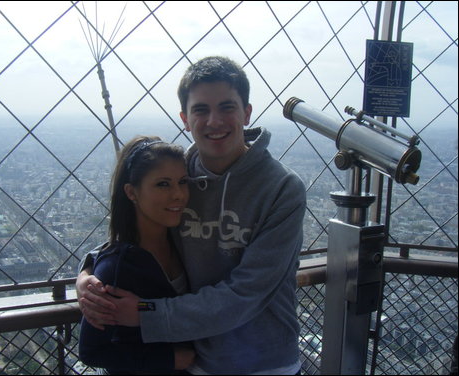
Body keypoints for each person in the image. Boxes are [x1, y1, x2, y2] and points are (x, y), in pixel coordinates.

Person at [77, 56, 307, 375]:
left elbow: (247, 293)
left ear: (247, 112)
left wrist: (145, 314)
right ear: (185, 118)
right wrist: (89, 273)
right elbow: (137, 226)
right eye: (201, 109)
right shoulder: (179, 173)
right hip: (196, 361)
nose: (214, 121)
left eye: (227, 107)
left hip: (265, 364)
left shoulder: (282, 188)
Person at [78, 136, 195, 374]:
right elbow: (92, 351)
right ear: (132, 193)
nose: (178, 195)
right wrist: (171, 359)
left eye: (183, 182)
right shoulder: (117, 267)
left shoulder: (185, 240)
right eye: (163, 184)